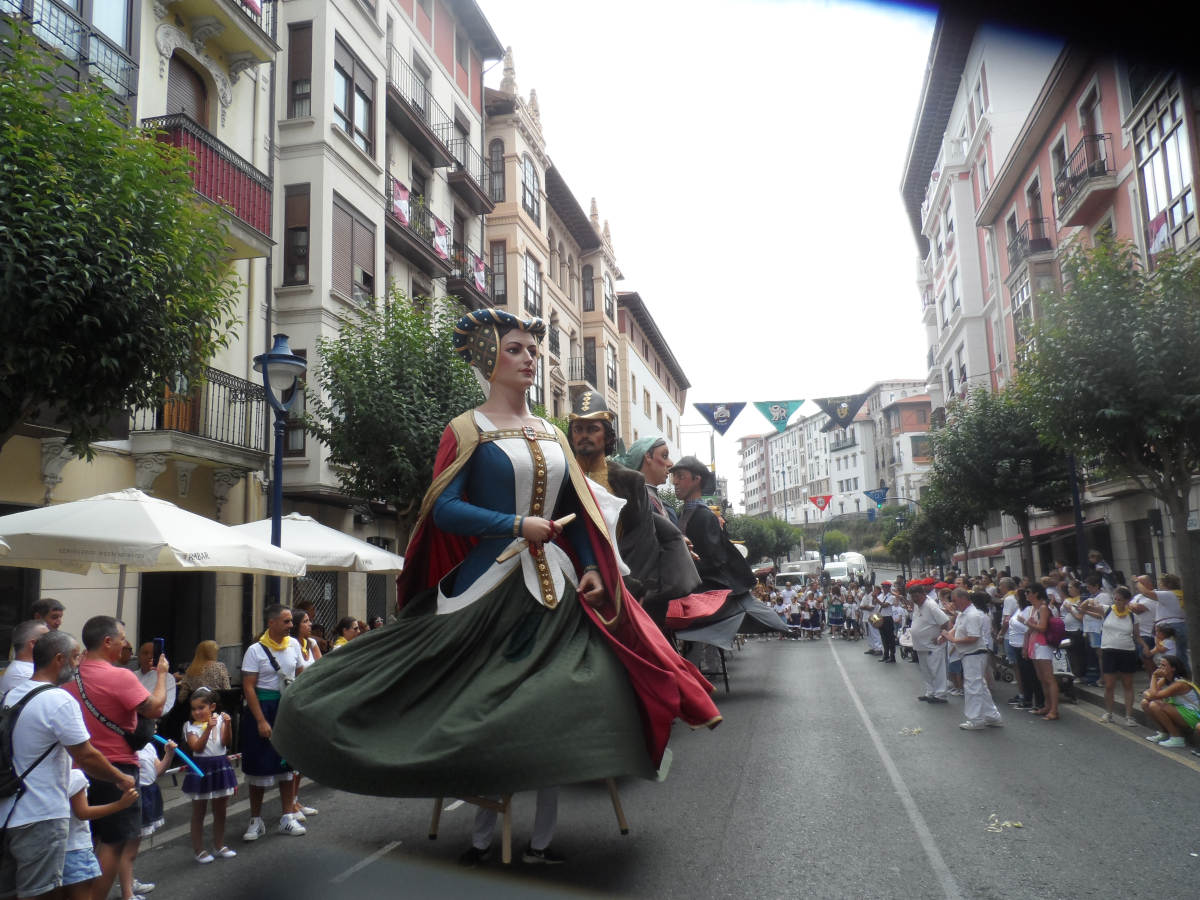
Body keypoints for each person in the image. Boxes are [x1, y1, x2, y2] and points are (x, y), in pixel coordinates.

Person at [271, 308, 720, 866]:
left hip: (555, 588)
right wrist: (513, 525)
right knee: (483, 709)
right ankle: (483, 836)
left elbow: (574, 510)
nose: (529, 358)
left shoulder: (553, 432)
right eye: (515, 349)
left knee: (563, 703)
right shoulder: (466, 430)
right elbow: (447, 510)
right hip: (485, 586)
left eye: (533, 350)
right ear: (488, 358)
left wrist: (590, 566)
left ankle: (541, 839)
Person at [0, 631, 137, 900]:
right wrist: (119, 777)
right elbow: (86, 756)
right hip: (41, 815)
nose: (78, 665)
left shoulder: (12, 695)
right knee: (42, 894)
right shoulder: (58, 699)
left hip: (8, 812)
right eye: (75, 658)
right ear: (59, 659)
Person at [62, 617, 169, 900]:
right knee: (113, 842)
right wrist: (161, 675)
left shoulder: (68, 676)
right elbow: (155, 708)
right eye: (122, 638)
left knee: (86, 841)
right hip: (116, 768)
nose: (126, 644)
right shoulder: (120, 676)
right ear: (107, 641)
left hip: (75, 767)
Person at [570, 400, 700, 626]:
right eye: (578, 429)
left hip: (623, 588)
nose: (584, 435)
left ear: (608, 436)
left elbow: (642, 544)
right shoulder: (561, 474)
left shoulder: (629, 481)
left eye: (592, 429)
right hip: (571, 581)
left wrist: (628, 590)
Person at [239, 604, 305, 840]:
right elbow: (249, 687)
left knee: (287, 764)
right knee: (258, 766)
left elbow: (300, 676)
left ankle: (287, 817)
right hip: (263, 708)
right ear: (272, 623)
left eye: (291, 621)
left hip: (285, 708)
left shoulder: (294, 645)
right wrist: (260, 720)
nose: (291, 625)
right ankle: (255, 820)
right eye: (286, 621)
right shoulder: (255, 651)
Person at [64, 768, 139, 900]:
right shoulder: (73, 775)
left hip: (49, 851)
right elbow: (82, 813)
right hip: (75, 849)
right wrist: (121, 804)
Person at [182, 688, 238, 863]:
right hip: (200, 768)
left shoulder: (220, 719)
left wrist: (227, 725)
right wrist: (208, 729)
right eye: (194, 709)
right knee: (199, 811)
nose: (197, 712)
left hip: (220, 764)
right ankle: (199, 850)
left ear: (212, 706)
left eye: (201, 708)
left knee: (220, 809)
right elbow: (196, 747)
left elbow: (226, 742)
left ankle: (219, 844)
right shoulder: (189, 726)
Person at [941, 587, 1002, 730]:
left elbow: (973, 637)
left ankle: (976, 719)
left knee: (972, 687)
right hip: (969, 654)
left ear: (963, 599)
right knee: (980, 685)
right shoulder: (963, 614)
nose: (953, 603)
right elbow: (955, 628)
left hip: (974, 654)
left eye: (955, 601)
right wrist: (944, 637)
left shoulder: (972, 615)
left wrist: (953, 640)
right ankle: (992, 716)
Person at [1098, 586, 1141, 727]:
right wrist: (1089, 602)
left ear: (1127, 601)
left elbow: (1137, 636)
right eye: (1115, 599)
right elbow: (1084, 607)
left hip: (1127, 651)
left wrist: (1145, 647)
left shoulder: (1133, 615)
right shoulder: (1107, 610)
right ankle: (1109, 713)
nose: (1117, 602)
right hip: (1109, 651)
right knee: (1109, 684)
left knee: (1127, 684)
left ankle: (1129, 716)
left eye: (1120, 600)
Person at [1141, 655, 1199, 748]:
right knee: (1145, 703)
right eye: (1160, 665)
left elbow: (1153, 695)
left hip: (1192, 715)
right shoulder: (1166, 679)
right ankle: (1164, 733)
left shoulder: (1179, 683)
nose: (1160, 668)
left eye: (1163, 665)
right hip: (1180, 711)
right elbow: (1149, 693)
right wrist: (1149, 694)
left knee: (1155, 705)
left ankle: (1177, 738)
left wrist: (1154, 676)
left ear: (1173, 669)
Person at [618, 435, 677, 523]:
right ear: (648, 456)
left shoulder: (663, 506)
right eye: (664, 456)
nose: (670, 463)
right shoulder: (636, 503)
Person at [908, 583, 949, 703]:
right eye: (913, 597)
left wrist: (942, 636)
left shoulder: (931, 605)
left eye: (917, 596)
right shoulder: (917, 605)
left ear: (923, 594)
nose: (915, 599)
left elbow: (945, 622)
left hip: (933, 645)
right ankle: (930, 692)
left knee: (936, 669)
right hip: (921, 645)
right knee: (925, 670)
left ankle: (940, 694)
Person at [1024, 584, 1059, 721]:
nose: (1026, 595)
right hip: (1035, 644)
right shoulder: (1034, 608)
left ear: (1036, 594)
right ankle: (1047, 705)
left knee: (1049, 678)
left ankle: (1054, 709)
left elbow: (1042, 627)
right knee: (1042, 678)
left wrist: (1027, 623)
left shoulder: (1043, 608)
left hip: (1043, 645)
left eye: (1028, 592)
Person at [0, 621, 49, 693]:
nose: (53, 642)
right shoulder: (25, 674)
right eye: (48, 638)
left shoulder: (22, 670)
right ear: (33, 644)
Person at [135, 643, 176, 719]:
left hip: (153, 720)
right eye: (145, 653)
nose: (149, 656)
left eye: (153, 654)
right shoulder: (132, 675)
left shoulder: (167, 678)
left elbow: (166, 706)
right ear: (139, 656)